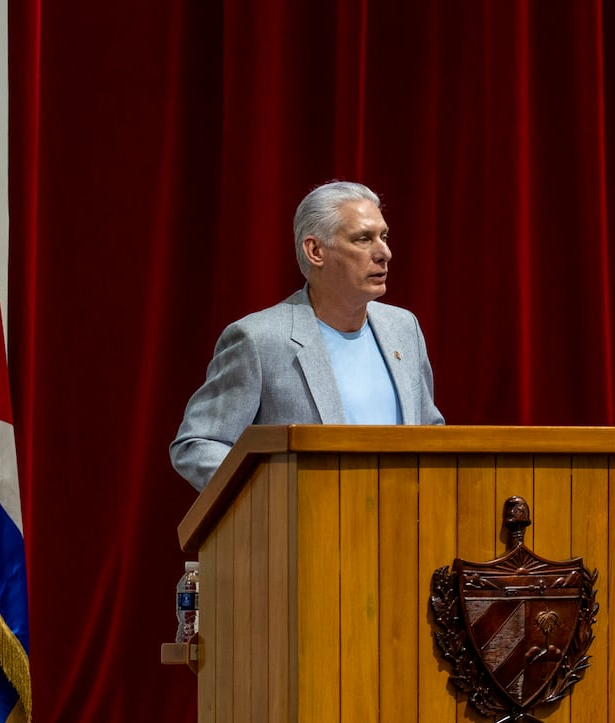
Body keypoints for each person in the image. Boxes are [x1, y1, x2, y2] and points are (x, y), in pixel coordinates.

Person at [170, 180, 444, 491]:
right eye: (363, 239)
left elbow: (430, 431)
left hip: (403, 527)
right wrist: (275, 494)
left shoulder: (404, 328)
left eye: (384, 236)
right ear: (315, 251)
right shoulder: (259, 340)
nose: (385, 253)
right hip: (307, 531)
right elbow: (198, 443)